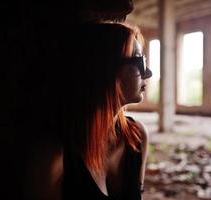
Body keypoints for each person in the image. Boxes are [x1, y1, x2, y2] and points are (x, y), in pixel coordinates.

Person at [60, 22, 153, 200]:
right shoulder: (56, 156)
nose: (148, 72)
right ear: (106, 68)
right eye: (139, 61)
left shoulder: (137, 137)